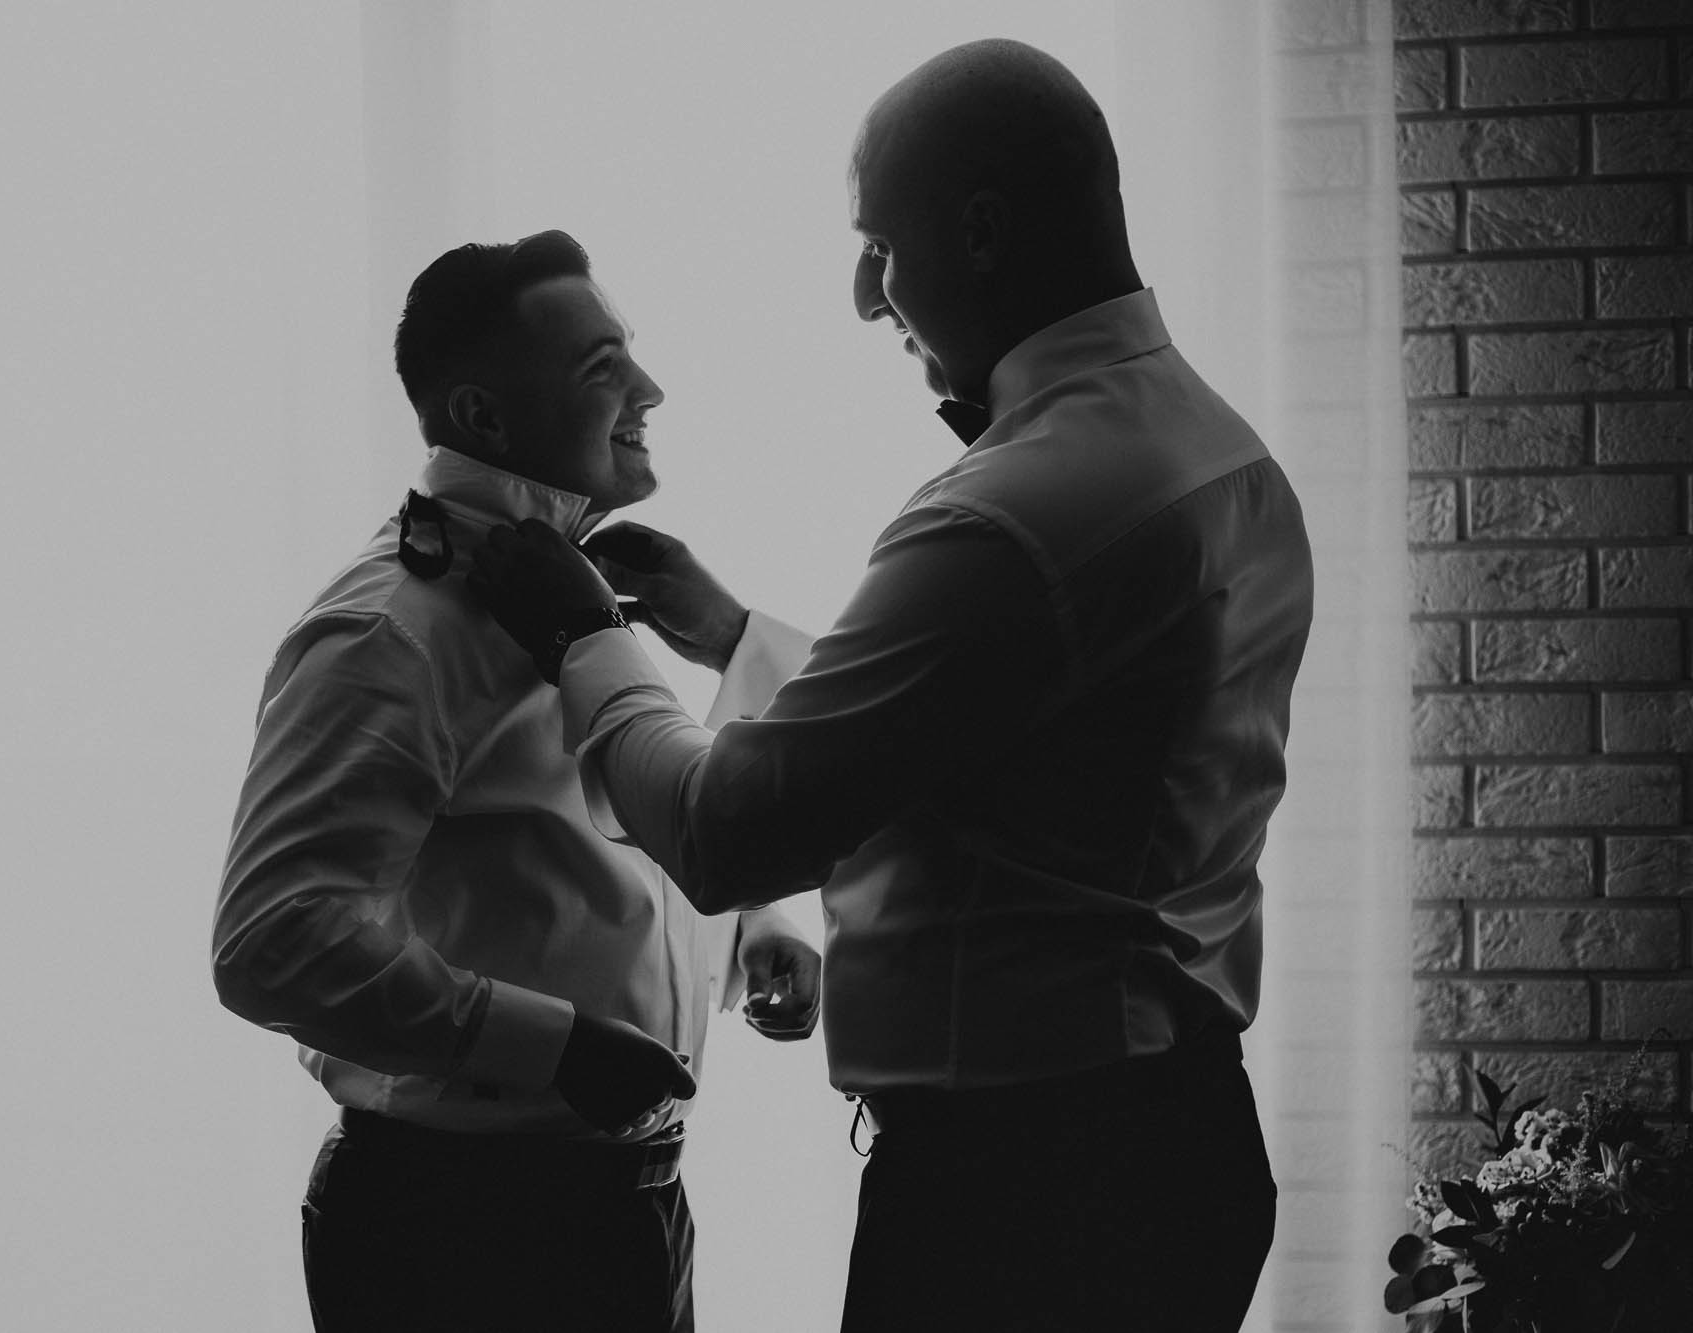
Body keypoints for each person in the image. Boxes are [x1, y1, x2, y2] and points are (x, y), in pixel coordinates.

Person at [467, 40, 1313, 1333]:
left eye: (879, 246)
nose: (867, 297)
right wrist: (735, 634)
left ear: (979, 232)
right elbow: (994, 732)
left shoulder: (1010, 511)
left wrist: (587, 636)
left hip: (1029, 1199)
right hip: (1174, 1137)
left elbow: (726, 831)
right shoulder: (1217, 451)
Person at [211, 229, 822, 1333]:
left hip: (626, 1204)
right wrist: (557, 1047)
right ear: (484, 419)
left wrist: (743, 932)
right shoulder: (389, 631)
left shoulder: (585, 596)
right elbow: (273, 940)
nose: (650, 389)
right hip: (461, 1231)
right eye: (602, 368)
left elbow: (567, 849)